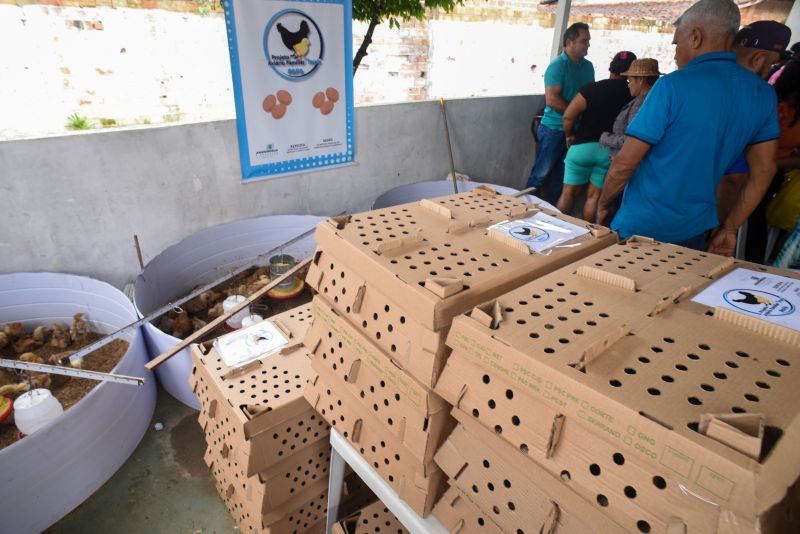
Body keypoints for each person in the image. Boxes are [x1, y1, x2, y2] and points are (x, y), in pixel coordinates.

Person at [596, 0, 780, 256]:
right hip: (695, 227)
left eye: (676, 42)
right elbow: (764, 170)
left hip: (642, 225)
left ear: (695, 37)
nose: (675, 52)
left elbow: (625, 162)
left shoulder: (672, 85)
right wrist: (729, 228)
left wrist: (604, 203)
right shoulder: (763, 94)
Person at [715, 21, 791, 260]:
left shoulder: (697, 82)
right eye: (772, 63)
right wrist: (725, 227)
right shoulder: (760, 94)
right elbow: (741, 176)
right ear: (759, 58)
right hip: (714, 212)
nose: (772, 69)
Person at [556, 51, 636, 221]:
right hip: (608, 151)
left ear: (611, 68)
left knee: (568, 192)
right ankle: (587, 235)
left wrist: (569, 135)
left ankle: (555, 227)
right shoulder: (633, 95)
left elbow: (568, 116)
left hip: (581, 148)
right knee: (594, 197)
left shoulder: (591, 89)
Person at [526, 22, 595, 205]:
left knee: (561, 179)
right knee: (540, 175)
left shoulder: (588, 67)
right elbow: (552, 100)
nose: (588, 44)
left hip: (576, 130)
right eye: (584, 40)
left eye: (588, 41)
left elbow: (589, 96)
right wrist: (576, 111)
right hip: (554, 129)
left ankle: (551, 216)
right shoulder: (557, 66)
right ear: (569, 42)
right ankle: (522, 209)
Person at [599, 58, 662, 159]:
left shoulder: (641, 103)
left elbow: (632, 140)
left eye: (630, 80)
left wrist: (606, 138)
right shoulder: (655, 99)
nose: (628, 85)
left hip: (628, 162)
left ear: (641, 80)